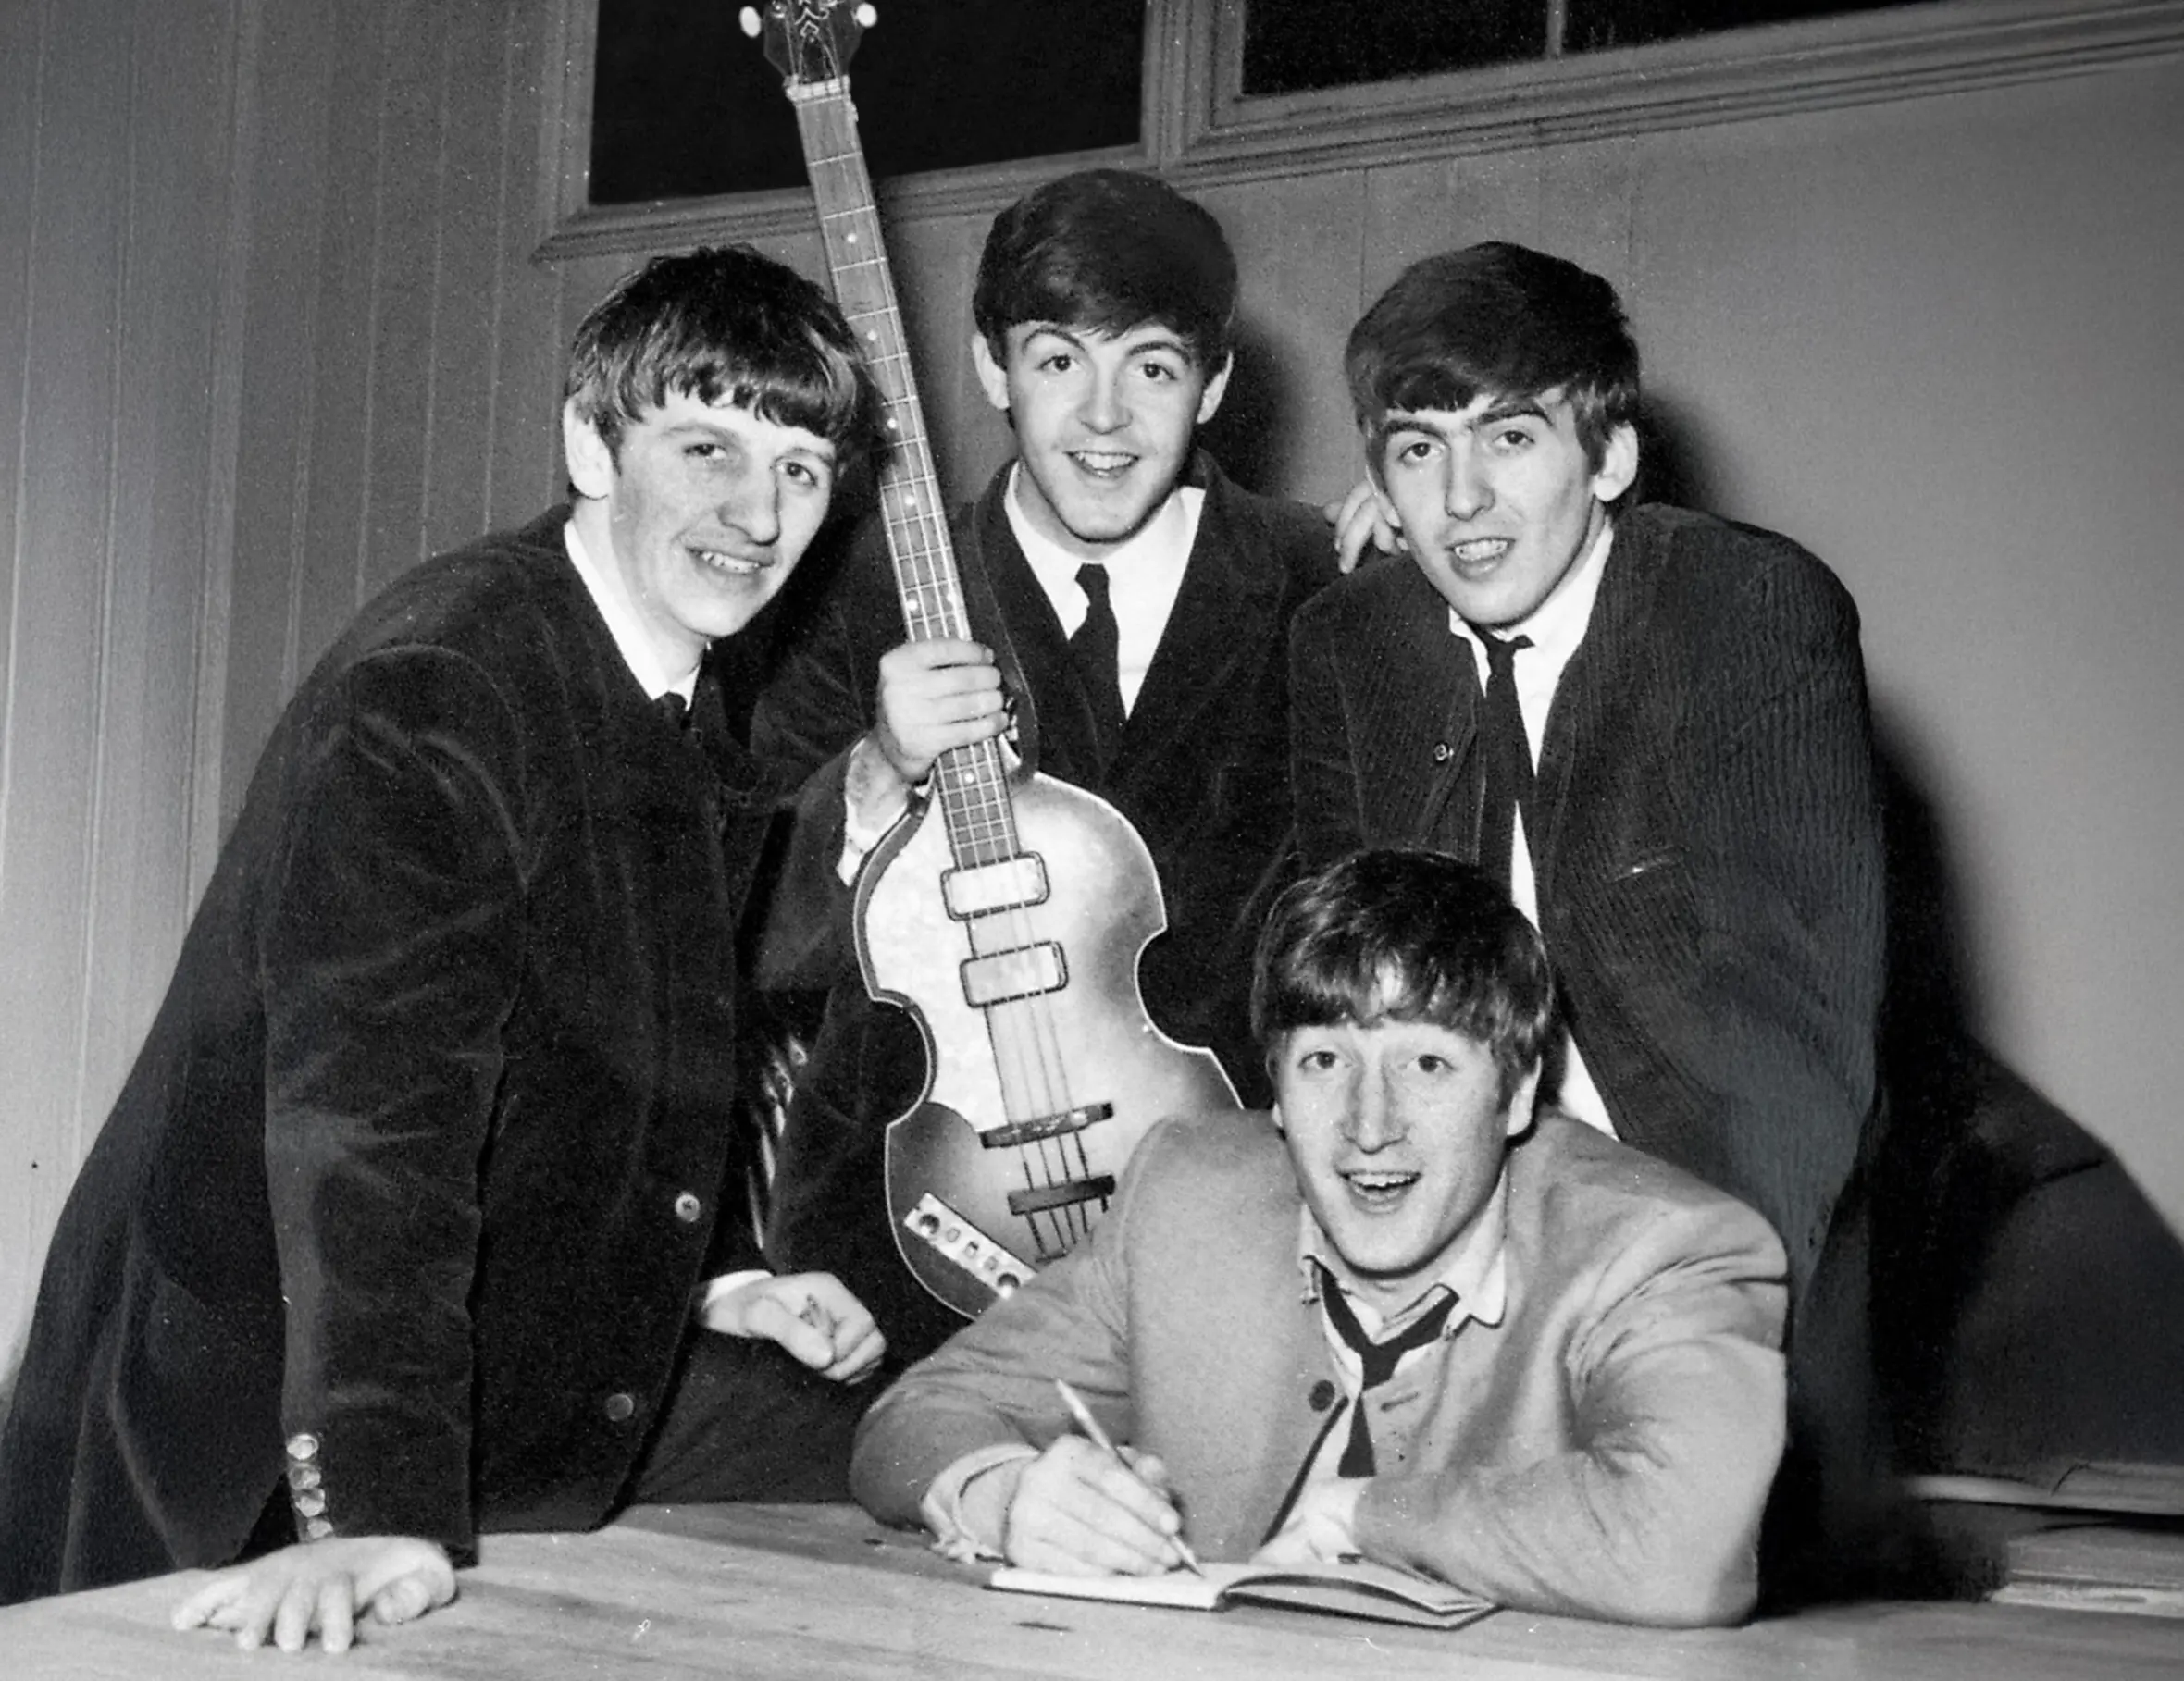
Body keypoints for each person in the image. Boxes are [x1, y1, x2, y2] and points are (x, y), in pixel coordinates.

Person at [0, 247, 891, 1649]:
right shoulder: (445, 688)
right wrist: (373, 1507)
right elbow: (373, 1129)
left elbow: (616, 1028)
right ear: (592, 444)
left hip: (442, 1378)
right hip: (247, 1408)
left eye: (800, 466)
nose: (756, 511)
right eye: (705, 444)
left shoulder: (663, 668)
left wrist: (721, 1270)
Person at [1296, 242, 1886, 1588]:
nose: (1461, 498)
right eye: (1415, 451)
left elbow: (1790, 1063)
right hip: (1440, 1262)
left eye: (1510, 437)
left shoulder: (1745, 613)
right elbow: (1332, 996)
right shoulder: (1354, 643)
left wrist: (1717, 1351)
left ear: (1609, 456)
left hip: (1701, 1239)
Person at [850, 849, 1788, 1627]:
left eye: (1425, 1062)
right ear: (1275, 1090)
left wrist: (1360, 1514)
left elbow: (1680, 1543)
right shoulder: (1184, 1193)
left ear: (1511, 1091)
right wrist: (1008, 1495)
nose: (1367, 1124)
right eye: (1323, 1060)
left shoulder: (1665, 1249)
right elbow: (915, 1414)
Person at [749, 167, 1336, 1365]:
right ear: (990, 368)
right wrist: (874, 771)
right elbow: (752, 925)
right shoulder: (853, 585)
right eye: (1061, 359)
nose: (1105, 420)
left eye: (1154, 367)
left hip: (1237, 1235)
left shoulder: (1319, 579)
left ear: (1215, 382)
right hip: (907, 1235)